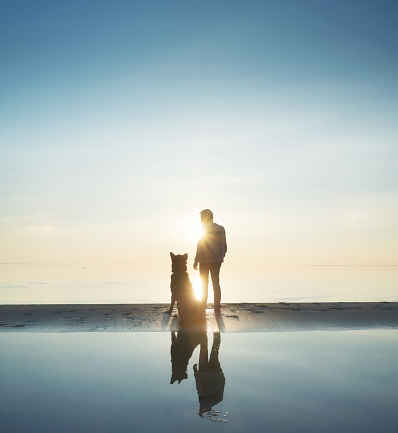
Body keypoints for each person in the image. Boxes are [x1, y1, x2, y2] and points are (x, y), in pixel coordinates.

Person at [193, 209, 227, 313]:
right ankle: (217, 305)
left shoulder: (203, 229)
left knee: (204, 283)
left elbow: (201, 245)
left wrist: (196, 259)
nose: (201, 219)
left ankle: (203, 304)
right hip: (217, 260)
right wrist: (221, 257)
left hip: (204, 260)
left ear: (206, 217)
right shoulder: (221, 229)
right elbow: (224, 246)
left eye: (202, 217)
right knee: (216, 282)